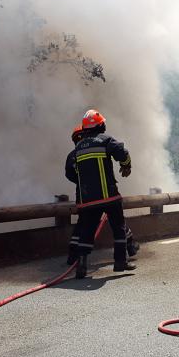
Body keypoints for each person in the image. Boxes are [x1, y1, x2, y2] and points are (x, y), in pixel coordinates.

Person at [65, 109, 136, 278]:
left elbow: (69, 173)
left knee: (86, 231)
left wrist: (83, 183)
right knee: (118, 228)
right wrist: (127, 165)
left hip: (87, 200)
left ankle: (81, 266)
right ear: (101, 125)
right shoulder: (105, 140)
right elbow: (122, 152)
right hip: (109, 196)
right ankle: (120, 262)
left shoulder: (76, 150)